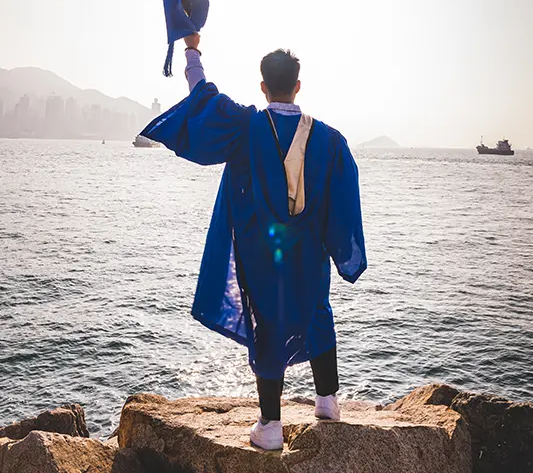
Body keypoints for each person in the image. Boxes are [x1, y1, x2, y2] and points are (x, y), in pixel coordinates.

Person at [141, 35, 367, 451]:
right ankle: (329, 401)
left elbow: (203, 99)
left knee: (268, 322)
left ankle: (270, 425)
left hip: (261, 252)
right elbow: (345, 202)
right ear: (298, 85)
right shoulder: (331, 140)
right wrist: (342, 251)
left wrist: (193, 48)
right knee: (318, 311)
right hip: (309, 251)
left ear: (263, 87)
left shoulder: (246, 126)